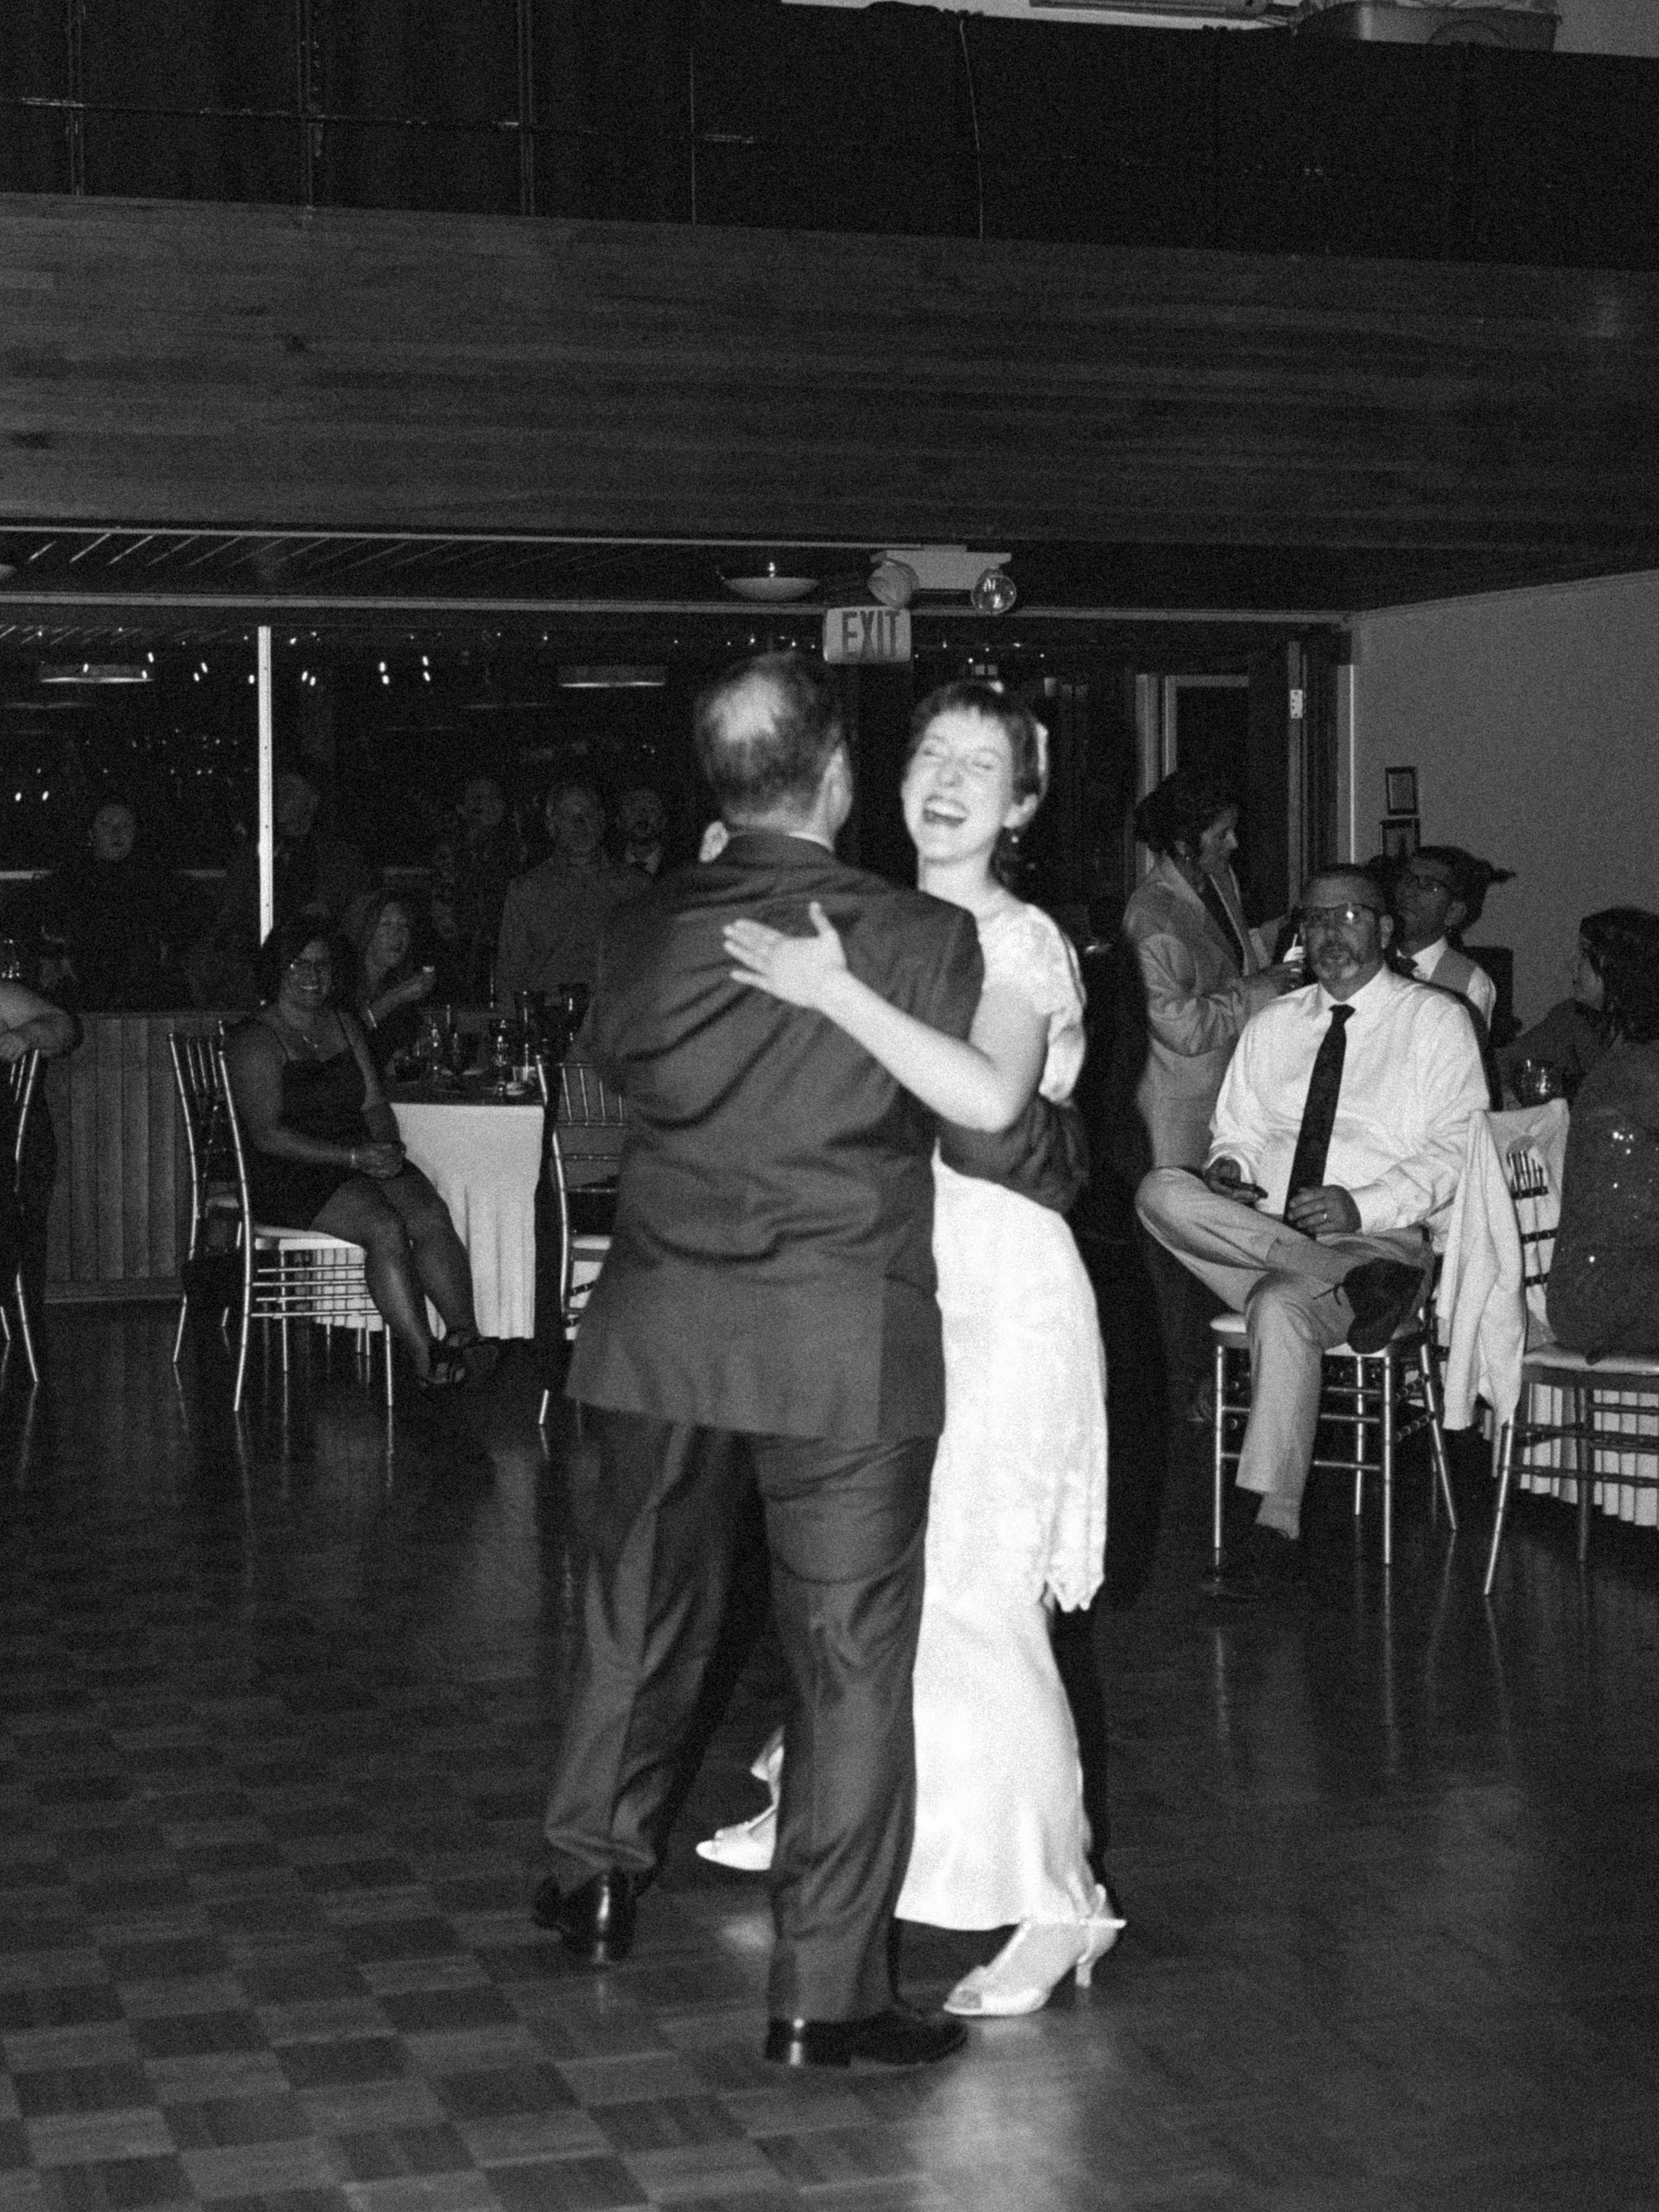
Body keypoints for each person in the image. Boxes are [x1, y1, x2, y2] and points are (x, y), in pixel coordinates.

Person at [533, 654, 1081, 2073]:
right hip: (840, 1340)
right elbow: (986, 1130)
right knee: (845, 1666)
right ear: (840, 775)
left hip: (658, 1326)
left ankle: (593, 1873)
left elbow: (617, 1061)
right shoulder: (912, 938)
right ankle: (819, 1995)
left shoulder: (641, 925)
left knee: (628, 1611)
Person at [715, 680, 1118, 2019]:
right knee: (880, 1579)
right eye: (931, 756)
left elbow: (990, 1096)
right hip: (891, 1284)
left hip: (997, 1290)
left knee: (975, 1599)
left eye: (981, 765)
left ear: (1020, 803)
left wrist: (831, 988)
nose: (948, 780)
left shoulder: (1020, 940)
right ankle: (826, 1814)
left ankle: (1056, 1905)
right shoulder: (885, 924)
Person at [1136, 865, 1488, 1598]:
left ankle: (1273, 1524)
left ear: (1383, 929)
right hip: (1265, 1237)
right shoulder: (1273, 1025)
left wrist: (1360, 1206)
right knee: (1161, 1190)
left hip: (1378, 1242)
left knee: (1280, 1306)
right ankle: (1341, 1279)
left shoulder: (1434, 1021)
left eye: (1347, 916)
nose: (1327, 934)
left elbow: (1459, 1150)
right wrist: (1229, 1171)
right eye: (1314, 920)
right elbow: (1232, 1132)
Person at [224, 917, 495, 1389]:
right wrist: (352, 1158)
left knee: (429, 1211)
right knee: (385, 1225)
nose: (313, 976)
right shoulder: (255, 1039)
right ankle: (424, 1354)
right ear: (276, 971)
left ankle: (464, 1335)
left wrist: (388, 1147)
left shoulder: (345, 1024)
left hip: (358, 1155)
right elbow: (267, 1134)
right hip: (292, 1169)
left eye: (323, 965)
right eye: (299, 964)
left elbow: (372, 1102)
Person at [1116, 771, 1297, 1419]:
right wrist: (1266, 988)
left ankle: (1225, 1380)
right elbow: (1184, 1026)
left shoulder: (1215, 883)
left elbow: (1235, 956)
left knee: (1228, 1233)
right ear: (1187, 839)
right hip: (1178, 1104)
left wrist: (1284, 943)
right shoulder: (1150, 914)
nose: (1234, 842)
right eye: (1221, 832)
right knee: (1180, 1253)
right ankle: (1188, 1387)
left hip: (1231, 1095)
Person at [1546, 907, 1659, 1355]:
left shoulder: (1635, 1057)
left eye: (1584, 957)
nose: (1572, 967)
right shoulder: (1637, 1066)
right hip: (1604, 1293)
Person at [187, 770, 372, 1009]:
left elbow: (362, 918)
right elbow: (230, 917)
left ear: (313, 800)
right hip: (260, 961)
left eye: (290, 791)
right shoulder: (253, 855)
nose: (279, 799)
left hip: (324, 964)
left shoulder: (342, 858)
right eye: (275, 792)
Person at [36, 798, 184, 1010]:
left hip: (146, 993)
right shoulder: (66, 883)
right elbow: (48, 939)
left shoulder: (160, 883)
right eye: (106, 825)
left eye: (125, 826)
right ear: (90, 833)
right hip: (81, 992)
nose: (116, 832)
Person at [1495, 907, 1638, 1104]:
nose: (1572, 964)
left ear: (1620, 961)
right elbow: (1505, 1063)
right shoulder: (1572, 1019)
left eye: (1585, 954)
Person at [429, 774, 523, 1003]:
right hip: (464, 964)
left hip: (512, 956)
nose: (489, 804)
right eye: (479, 798)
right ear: (463, 808)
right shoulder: (452, 850)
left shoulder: (518, 847)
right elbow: (445, 916)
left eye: (495, 797)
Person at [1390, 845, 1503, 1031]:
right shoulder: (1371, 960)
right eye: (1407, 879)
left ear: (1453, 912)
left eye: (1428, 885)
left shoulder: (1469, 983)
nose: (1409, 892)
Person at [352, 892, 435, 1069]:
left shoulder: (398, 982)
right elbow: (346, 1037)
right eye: (386, 925)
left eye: (404, 926)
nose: (397, 934)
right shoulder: (344, 981)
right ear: (366, 930)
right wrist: (395, 998)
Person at [616, 785, 668, 878]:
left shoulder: (682, 869)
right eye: (633, 809)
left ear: (663, 821)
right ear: (619, 821)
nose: (643, 815)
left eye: (651, 809)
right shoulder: (605, 865)